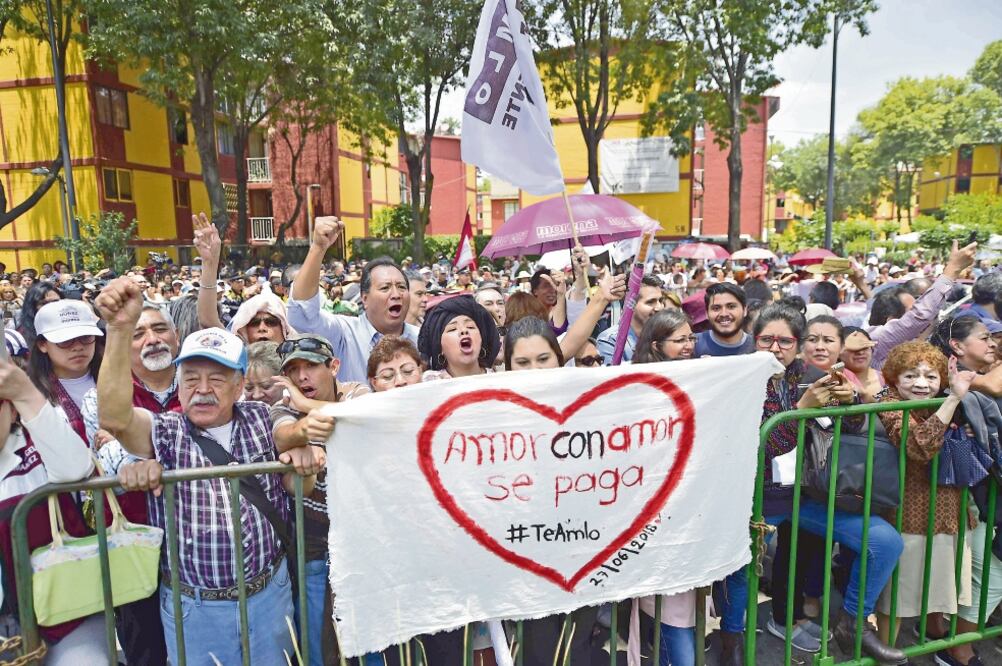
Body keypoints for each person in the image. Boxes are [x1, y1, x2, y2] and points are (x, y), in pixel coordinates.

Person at [95, 277, 324, 665]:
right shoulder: (166, 431)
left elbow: (294, 446)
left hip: (270, 594)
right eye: (191, 379)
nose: (202, 390)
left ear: (239, 386)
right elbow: (115, 417)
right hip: (196, 610)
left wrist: (304, 454)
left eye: (217, 380)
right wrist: (118, 331)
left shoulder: (259, 418)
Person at [752, 304, 905, 664]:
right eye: (767, 340)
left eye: (785, 340)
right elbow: (767, 445)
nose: (777, 348)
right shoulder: (748, 381)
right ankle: (756, 630)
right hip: (765, 498)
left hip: (814, 491)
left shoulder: (811, 377)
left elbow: (838, 434)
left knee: (881, 542)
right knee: (756, 577)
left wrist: (847, 406)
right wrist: (805, 408)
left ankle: (851, 625)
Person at [0, 330, 107, 664]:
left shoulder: (37, 437)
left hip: (66, 612)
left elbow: (77, 468)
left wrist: (27, 395)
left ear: (12, 410)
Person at [270, 334, 368, 666]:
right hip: (314, 552)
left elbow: (361, 415)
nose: (301, 377)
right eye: (293, 370)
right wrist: (300, 434)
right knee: (315, 650)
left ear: (334, 366)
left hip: (364, 552)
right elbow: (282, 433)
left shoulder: (357, 392)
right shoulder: (283, 408)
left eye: (310, 366)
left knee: (371, 645)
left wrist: (304, 406)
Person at [876, 342, 976, 650]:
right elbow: (917, 447)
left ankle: (932, 635)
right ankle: (886, 653)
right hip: (906, 514)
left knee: (939, 589)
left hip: (948, 511)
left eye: (930, 376)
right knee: (898, 596)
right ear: (895, 378)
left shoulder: (941, 401)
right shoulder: (888, 403)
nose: (921, 383)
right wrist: (953, 399)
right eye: (911, 375)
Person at [631, 309, 698, 665]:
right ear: (656, 346)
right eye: (680, 340)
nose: (689, 345)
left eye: (691, 338)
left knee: (678, 607)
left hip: (689, 509)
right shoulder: (638, 387)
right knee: (670, 607)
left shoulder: (705, 378)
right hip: (653, 511)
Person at [288, 217, 418, 383]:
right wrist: (318, 248)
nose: (396, 294)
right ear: (365, 299)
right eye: (385, 288)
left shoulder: (421, 339)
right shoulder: (344, 334)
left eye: (401, 287)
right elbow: (301, 313)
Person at [865, 241, 976, 371]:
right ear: (891, 322)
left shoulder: (920, 352)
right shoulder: (874, 342)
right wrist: (953, 269)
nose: (927, 318)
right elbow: (920, 316)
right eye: (912, 312)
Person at [28, 300, 104, 443]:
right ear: (43, 345)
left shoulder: (120, 377)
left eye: (85, 337)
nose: (77, 347)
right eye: (65, 340)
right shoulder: (33, 395)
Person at [418, 296, 501, 380]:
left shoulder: (498, 381)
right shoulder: (428, 384)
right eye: (452, 329)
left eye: (470, 327)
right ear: (440, 347)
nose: (463, 330)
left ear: (481, 339)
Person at [595, 275, 666, 364]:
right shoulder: (610, 341)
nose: (659, 307)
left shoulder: (666, 336)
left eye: (661, 301)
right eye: (650, 302)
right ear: (630, 305)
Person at [695, 283, 754, 357]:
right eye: (716, 308)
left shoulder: (757, 347)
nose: (724, 314)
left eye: (731, 307)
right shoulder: (692, 345)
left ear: (744, 310)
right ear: (707, 314)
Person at [840, 327, 883, 402]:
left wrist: (864, 394)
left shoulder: (887, 379)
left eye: (865, 347)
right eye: (853, 348)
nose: (860, 352)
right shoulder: (832, 381)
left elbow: (884, 401)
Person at [17, 281, 61, 346]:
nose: (51, 306)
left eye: (55, 302)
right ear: (31, 306)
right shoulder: (22, 336)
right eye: (44, 303)